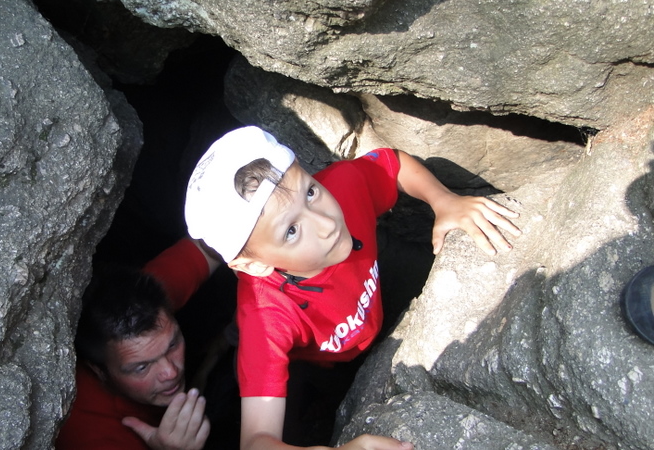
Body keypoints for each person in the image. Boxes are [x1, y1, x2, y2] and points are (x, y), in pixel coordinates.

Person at [183, 126, 522, 450]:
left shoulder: (343, 187)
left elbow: (393, 163)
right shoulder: (264, 318)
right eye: (291, 231)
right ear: (253, 265)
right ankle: (220, 353)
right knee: (303, 410)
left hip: (359, 315)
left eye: (310, 192)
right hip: (311, 360)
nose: (327, 223)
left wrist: (443, 200)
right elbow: (257, 440)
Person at [56, 237, 221, 450]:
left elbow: (220, 239)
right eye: (142, 367)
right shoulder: (92, 434)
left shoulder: (148, 306)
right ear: (100, 372)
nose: (170, 372)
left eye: (172, 345)